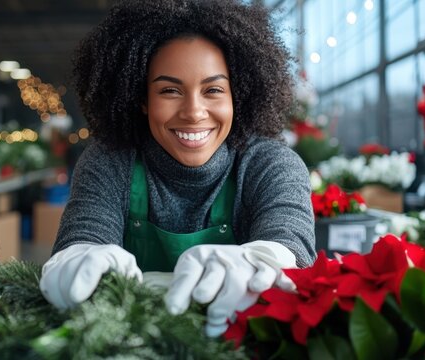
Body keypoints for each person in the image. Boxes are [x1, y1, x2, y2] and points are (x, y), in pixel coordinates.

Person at [39, 0, 316, 337]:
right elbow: (84, 233)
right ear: (141, 99)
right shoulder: (110, 160)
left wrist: (269, 259)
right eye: (169, 90)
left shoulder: (270, 163)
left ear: (237, 97)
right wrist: (79, 256)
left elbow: (291, 242)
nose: (193, 112)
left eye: (213, 90)